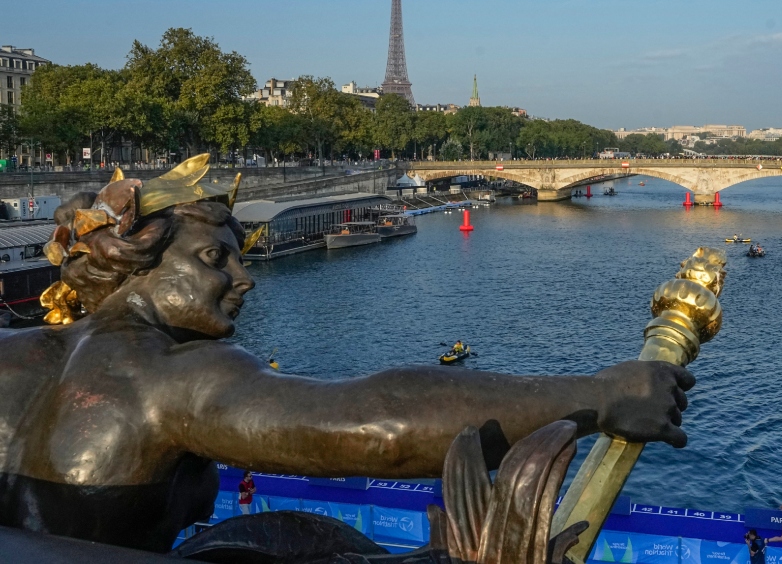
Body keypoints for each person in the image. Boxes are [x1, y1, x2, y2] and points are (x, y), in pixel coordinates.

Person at [0, 160, 694, 553]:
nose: (243, 280)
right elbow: (378, 425)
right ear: (139, 264)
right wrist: (604, 397)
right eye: (216, 259)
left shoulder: (17, 354)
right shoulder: (166, 375)